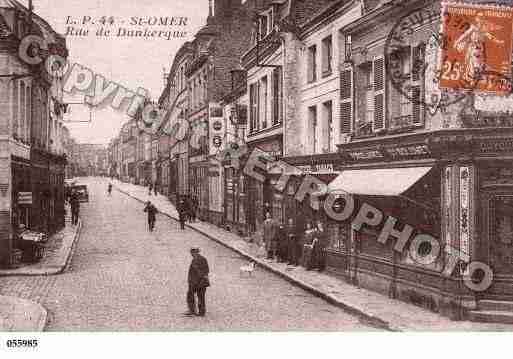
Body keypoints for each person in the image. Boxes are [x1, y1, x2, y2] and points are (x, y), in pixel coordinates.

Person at [185, 246, 210, 317]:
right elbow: (207, 270)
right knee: (200, 296)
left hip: (197, 282)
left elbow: (199, 272)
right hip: (202, 282)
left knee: (192, 295)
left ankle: (193, 311)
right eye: (191, 252)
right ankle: (200, 312)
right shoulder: (203, 259)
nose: (192, 254)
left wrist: (193, 282)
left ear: (195, 252)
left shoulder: (196, 260)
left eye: (192, 252)